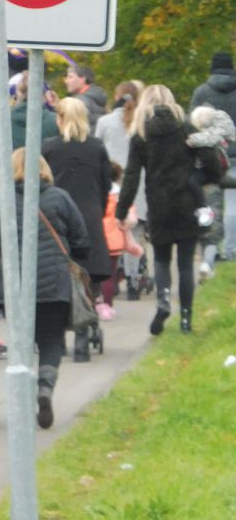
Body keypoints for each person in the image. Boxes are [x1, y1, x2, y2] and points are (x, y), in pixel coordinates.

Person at [0, 149, 90, 429]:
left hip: (14, 287)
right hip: (54, 283)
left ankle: (24, 398)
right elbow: (82, 241)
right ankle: (45, 387)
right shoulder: (60, 198)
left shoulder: (4, 201)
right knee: (51, 340)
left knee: (23, 342)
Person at [116, 84, 221, 335]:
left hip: (158, 205)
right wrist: (202, 177)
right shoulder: (186, 128)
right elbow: (212, 160)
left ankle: (163, 301)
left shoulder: (141, 134)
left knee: (162, 260)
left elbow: (131, 177)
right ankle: (186, 320)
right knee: (185, 264)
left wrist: (121, 211)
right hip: (187, 202)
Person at [42, 96, 112, 361]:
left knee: (58, 279)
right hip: (89, 216)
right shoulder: (97, 148)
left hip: (57, 218)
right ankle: (83, 340)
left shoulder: (49, 148)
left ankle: (57, 340)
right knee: (87, 278)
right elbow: (105, 184)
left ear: (59, 119)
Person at [95, 80, 149, 299]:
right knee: (135, 232)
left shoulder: (105, 121)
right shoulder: (143, 122)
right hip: (140, 182)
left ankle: (113, 277)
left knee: (112, 233)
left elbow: (98, 151)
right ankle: (135, 279)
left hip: (113, 184)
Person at [190, 51, 236, 261]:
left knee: (211, 204)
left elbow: (193, 125)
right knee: (234, 205)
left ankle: (210, 251)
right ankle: (231, 250)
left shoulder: (202, 92)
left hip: (212, 157)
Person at [186, 105, 236, 281]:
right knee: (215, 226)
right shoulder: (221, 139)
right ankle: (209, 263)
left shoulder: (198, 141)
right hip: (215, 183)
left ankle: (206, 262)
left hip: (200, 187)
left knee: (205, 226)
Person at [100, 162, 143, 319]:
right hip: (114, 240)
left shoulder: (97, 192)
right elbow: (131, 218)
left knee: (93, 274)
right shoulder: (120, 196)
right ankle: (107, 307)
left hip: (97, 238)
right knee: (110, 275)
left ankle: (94, 302)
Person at [10, 71, 58, 149]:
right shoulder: (56, 120)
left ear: (18, 94)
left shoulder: (4, 122)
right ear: (44, 95)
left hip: (15, 160)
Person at [64, 63, 107, 132]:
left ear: (82, 79)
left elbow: (78, 129)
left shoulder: (81, 101)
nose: (66, 81)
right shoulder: (97, 95)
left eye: (70, 77)